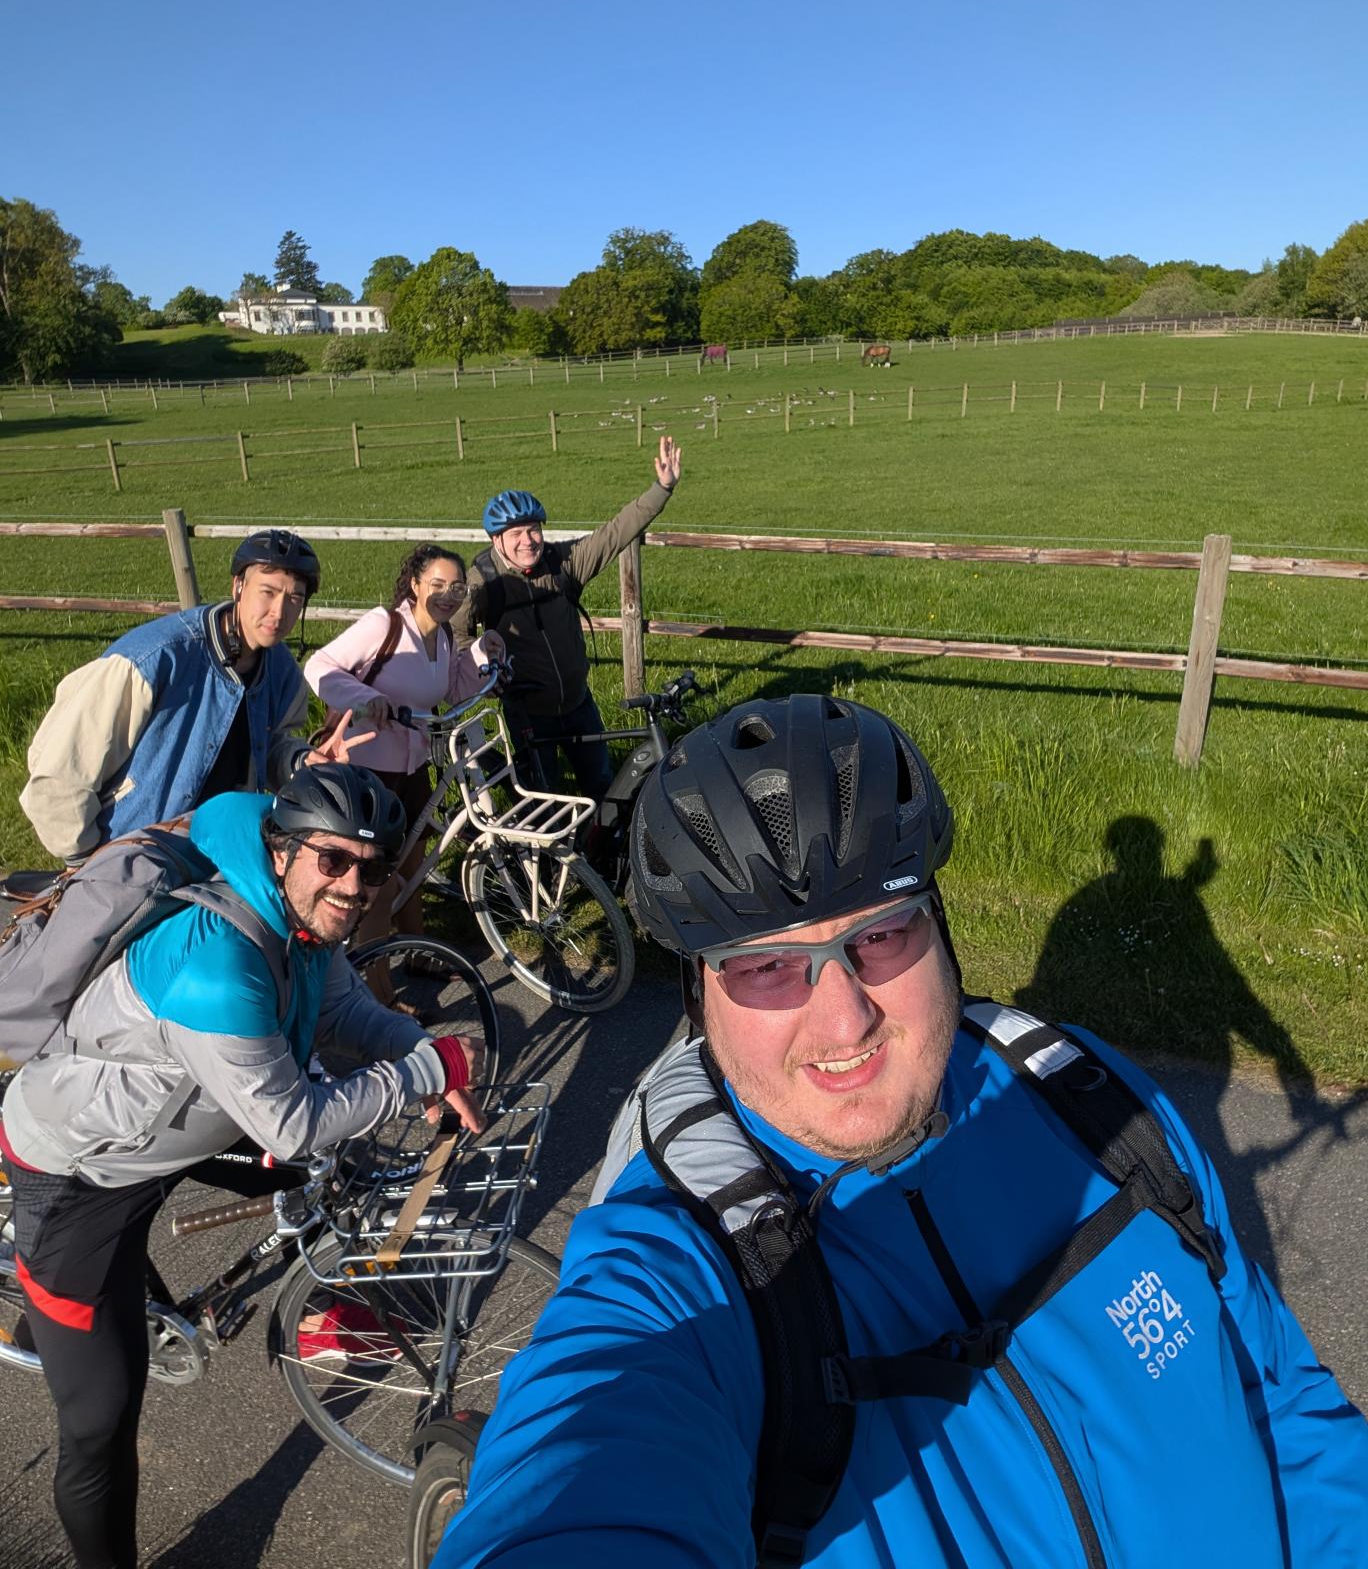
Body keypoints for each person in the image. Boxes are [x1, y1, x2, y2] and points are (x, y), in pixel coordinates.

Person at [437, 694, 1368, 1568]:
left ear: (940, 927)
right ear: (699, 997)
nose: (846, 1021)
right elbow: (589, 1454)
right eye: (765, 966)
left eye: (881, 935)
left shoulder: (1083, 1094)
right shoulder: (686, 1254)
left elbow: (1280, 1397)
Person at [1, 764, 483, 1569]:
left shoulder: (297, 919)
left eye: (372, 870)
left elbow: (339, 1009)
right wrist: (425, 1073)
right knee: (99, 1420)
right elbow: (292, 1123)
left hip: (176, 1125)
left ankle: (322, 1304)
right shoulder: (217, 968)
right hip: (80, 1178)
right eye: (334, 860)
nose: (353, 886)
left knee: (317, 1172)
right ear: (282, 851)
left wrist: (416, 1048)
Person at [20, 528, 366, 866]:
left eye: (294, 599)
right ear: (238, 586)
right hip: (133, 854)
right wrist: (85, 861)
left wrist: (302, 762)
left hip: (220, 852)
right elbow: (60, 774)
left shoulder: (282, 671)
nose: (279, 612)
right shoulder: (154, 659)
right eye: (268, 592)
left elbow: (270, 746)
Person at [455, 437, 682, 799]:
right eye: (516, 534)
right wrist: (483, 662)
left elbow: (615, 533)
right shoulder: (483, 582)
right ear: (497, 540)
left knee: (603, 790)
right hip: (528, 714)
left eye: (534, 529)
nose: (528, 540)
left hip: (579, 703)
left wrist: (663, 488)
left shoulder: (563, 563)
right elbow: (455, 635)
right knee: (544, 798)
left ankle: (604, 837)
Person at [304, 543, 505, 943]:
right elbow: (318, 665)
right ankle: (373, 973)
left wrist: (482, 651)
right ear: (415, 585)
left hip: (414, 766)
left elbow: (452, 691)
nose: (448, 595)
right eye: (437, 584)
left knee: (412, 870)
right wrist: (367, 698)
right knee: (376, 879)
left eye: (457, 588)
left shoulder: (443, 635)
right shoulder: (385, 626)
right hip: (368, 771)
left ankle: (419, 951)